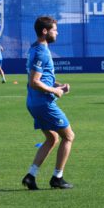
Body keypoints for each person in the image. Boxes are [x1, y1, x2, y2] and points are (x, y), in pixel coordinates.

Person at [22, 16, 75, 190]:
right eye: (54, 29)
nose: (57, 32)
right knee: (68, 136)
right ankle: (57, 178)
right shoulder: (41, 52)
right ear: (45, 31)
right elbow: (34, 82)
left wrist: (58, 85)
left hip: (34, 102)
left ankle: (31, 176)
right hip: (43, 103)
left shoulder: (35, 48)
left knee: (52, 138)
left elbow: (42, 78)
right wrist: (55, 91)